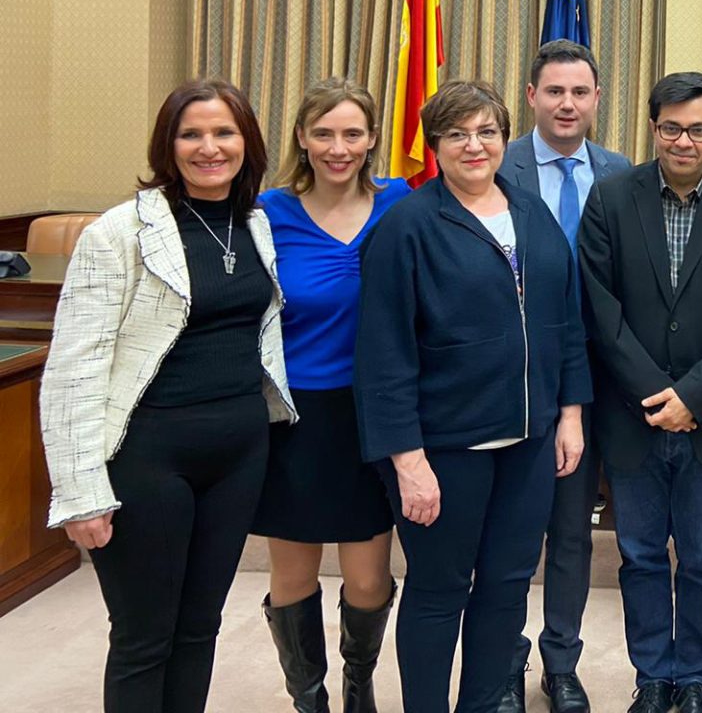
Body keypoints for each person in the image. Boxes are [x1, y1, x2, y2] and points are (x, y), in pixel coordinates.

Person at [40, 79, 298, 713]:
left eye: (224, 133)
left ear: (248, 143)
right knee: (143, 637)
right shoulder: (119, 232)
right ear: (168, 144)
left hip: (239, 453)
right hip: (148, 456)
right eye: (191, 134)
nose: (209, 147)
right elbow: (73, 368)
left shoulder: (254, 223)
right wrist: (79, 492)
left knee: (199, 628)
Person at [352, 81, 591, 713]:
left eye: (486, 131)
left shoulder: (531, 213)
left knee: (508, 588)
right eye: (457, 133)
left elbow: (564, 320)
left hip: (529, 441)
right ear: (434, 145)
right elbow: (383, 355)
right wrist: (407, 460)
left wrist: (569, 412)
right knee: (438, 591)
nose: (473, 145)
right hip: (443, 448)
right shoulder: (407, 226)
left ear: (505, 138)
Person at [579, 72, 702, 713]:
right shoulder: (611, 199)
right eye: (671, 128)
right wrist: (654, 395)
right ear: (652, 128)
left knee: (700, 558)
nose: (684, 141)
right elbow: (601, 311)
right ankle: (652, 677)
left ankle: (691, 677)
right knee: (638, 555)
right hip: (632, 416)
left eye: (698, 129)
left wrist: (691, 395)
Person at [252, 79, 409, 713]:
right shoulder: (268, 213)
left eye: (352, 133)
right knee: (292, 574)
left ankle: (357, 684)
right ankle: (307, 697)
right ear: (301, 138)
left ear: (372, 139)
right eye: (323, 133)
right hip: (293, 416)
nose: (337, 148)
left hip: (373, 412)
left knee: (369, 577)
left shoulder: (402, 204)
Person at [496, 39, 630, 713]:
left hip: (598, 379)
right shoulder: (496, 164)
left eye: (580, 92)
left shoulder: (621, 170)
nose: (568, 103)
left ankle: (562, 661)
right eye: (555, 91)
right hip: (514, 380)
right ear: (531, 97)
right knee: (513, 531)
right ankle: (504, 660)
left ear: (598, 99)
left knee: (574, 529)